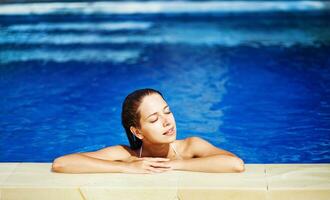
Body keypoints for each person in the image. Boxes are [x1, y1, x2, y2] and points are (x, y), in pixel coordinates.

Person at [52, 88, 245, 174]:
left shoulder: (191, 147)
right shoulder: (127, 155)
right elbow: (62, 163)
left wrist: (172, 165)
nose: (167, 122)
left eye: (167, 112)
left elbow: (235, 164)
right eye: (154, 119)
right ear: (138, 132)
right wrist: (126, 167)